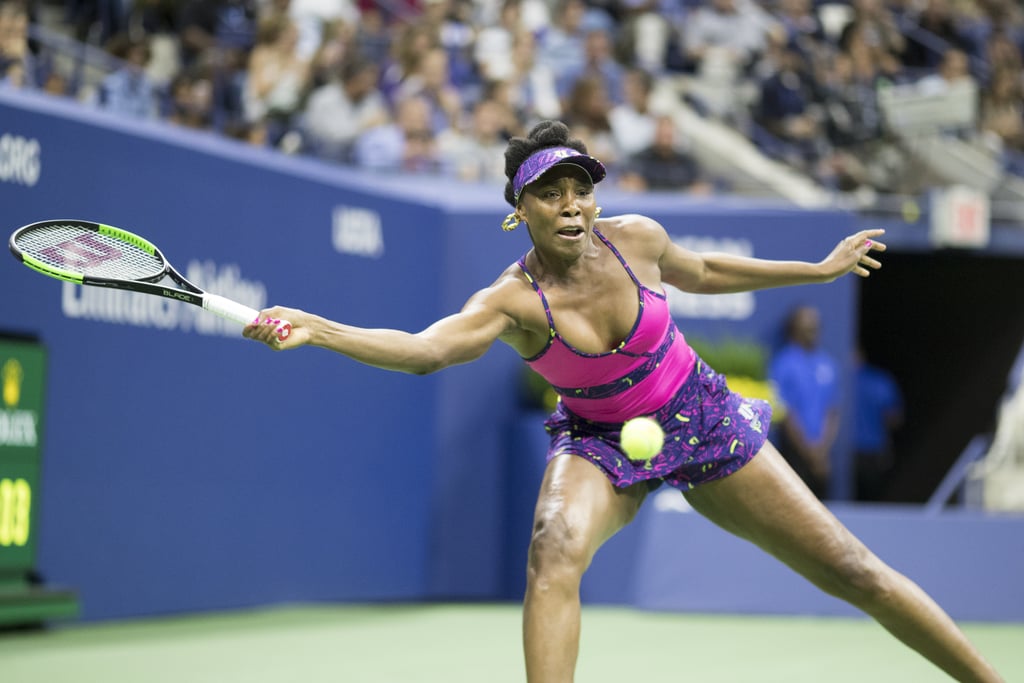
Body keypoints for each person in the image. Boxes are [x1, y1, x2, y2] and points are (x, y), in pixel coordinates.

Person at [244, 120, 1004, 683]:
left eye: (581, 188)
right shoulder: (511, 301)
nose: (572, 204)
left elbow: (702, 269)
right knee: (552, 548)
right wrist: (318, 327)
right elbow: (426, 351)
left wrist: (814, 270)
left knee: (854, 569)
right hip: (599, 441)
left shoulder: (635, 238)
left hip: (701, 414)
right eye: (551, 192)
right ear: (520, 209)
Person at [768, 305, 840, 499]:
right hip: (794, 454)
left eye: (816, 325)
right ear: (795, 327)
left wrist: (821, 451)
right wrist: (807, 451)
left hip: (822, 457)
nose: (813, 329)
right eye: (808, 324)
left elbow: (832, 411)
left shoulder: (827, 363)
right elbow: (785, 411)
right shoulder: (783, 363)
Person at [853, 346, 904, 501]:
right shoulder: (881, 381)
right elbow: (894, 418)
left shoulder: (842, 379)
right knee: (872, 499)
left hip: (856, 452)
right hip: (874, 450)